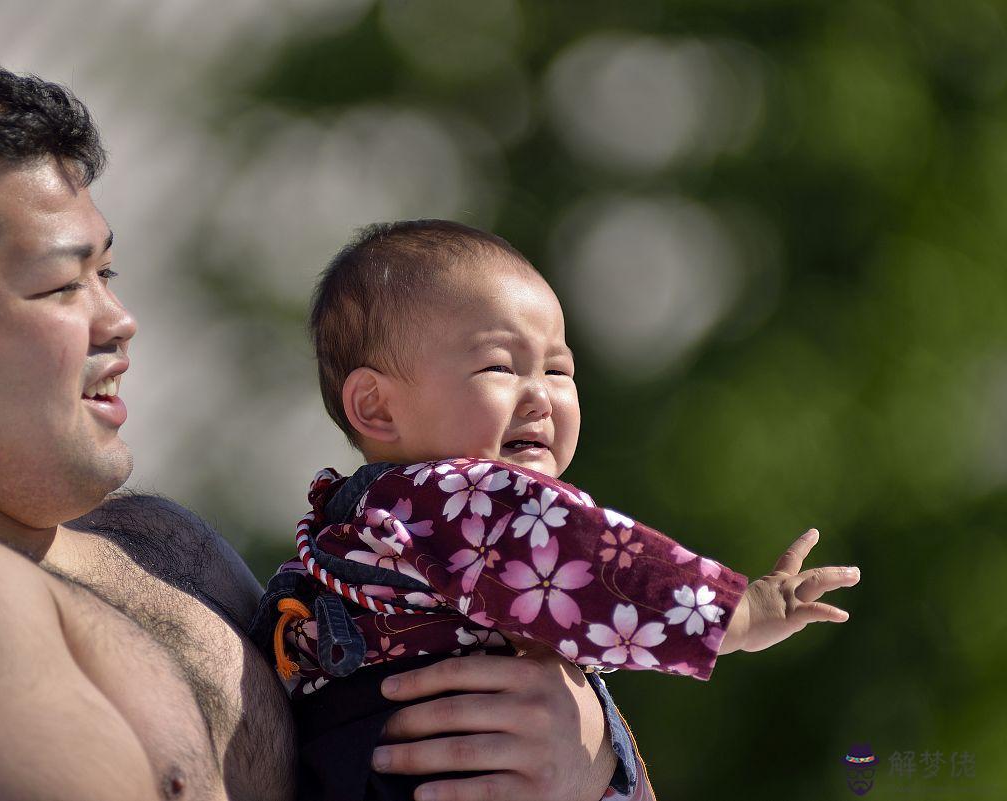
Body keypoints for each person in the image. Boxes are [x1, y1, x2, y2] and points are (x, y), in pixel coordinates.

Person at [0, 56, 625, 801]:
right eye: (61, 286)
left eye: (108, 273)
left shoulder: (164, 544)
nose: (120, 320)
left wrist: (596, 754)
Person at [255, 220, 862, 800]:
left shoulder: (345, 529)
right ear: (377, 407)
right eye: (499, 366)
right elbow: (599, 566)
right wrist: (741, 612)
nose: (540, 395)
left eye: (557, 369)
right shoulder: (467, 498)